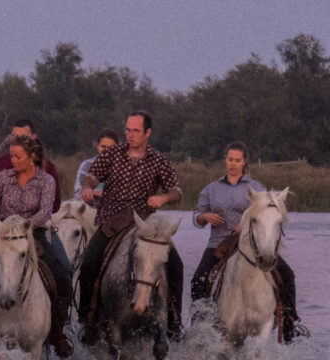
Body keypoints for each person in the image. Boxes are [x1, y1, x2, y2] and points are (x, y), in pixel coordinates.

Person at [76, 111, 185, 343]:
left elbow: (177, 191)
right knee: (89, 263)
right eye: (128, 130)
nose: (130, 134)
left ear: (147, 133)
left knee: (176, 265)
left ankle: (174, 322)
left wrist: (163, 199)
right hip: (112, 222)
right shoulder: (113, 154)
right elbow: (91, 176)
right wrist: (87, 187)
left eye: (136, 130)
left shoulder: (159, 160)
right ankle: (87, 320)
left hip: (145, 224)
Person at [191, 141, 303, 342]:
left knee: (287, 275)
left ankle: (289, 323)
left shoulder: (256, 188)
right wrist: (205, 217)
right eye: (230, 159)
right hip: (219, 243)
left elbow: (265, 216)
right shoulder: (212, 188)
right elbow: (197, 216)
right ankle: (199, 326)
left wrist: (245, 226)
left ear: (245, 162)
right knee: (198, 280)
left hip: (250, 244)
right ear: (225, 160)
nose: (233, 164)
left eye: (237, 160)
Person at [0, 136, 73, 357]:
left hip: (33, 231)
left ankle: (58, 332)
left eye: (17, 156)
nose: (13, 160)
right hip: (3, 232)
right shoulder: (2, 177)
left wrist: (24, 225)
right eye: (11, 156)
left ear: (32, 157)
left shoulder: (47, 180)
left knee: (63, 273)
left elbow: (46, 211)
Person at [0, 119, 62, 214]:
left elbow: (55, 206)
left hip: (35, 226)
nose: (18, 140)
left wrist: (29, 220)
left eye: (23, 137)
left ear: (33, 137)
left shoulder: (48, 168)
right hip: (3, 225)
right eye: (15, 137)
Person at [74, 128, 120, 205]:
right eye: (103, 147)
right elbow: (77, 197)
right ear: (97, 146)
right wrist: (87, 193)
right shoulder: (86, 165)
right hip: (89, 211)